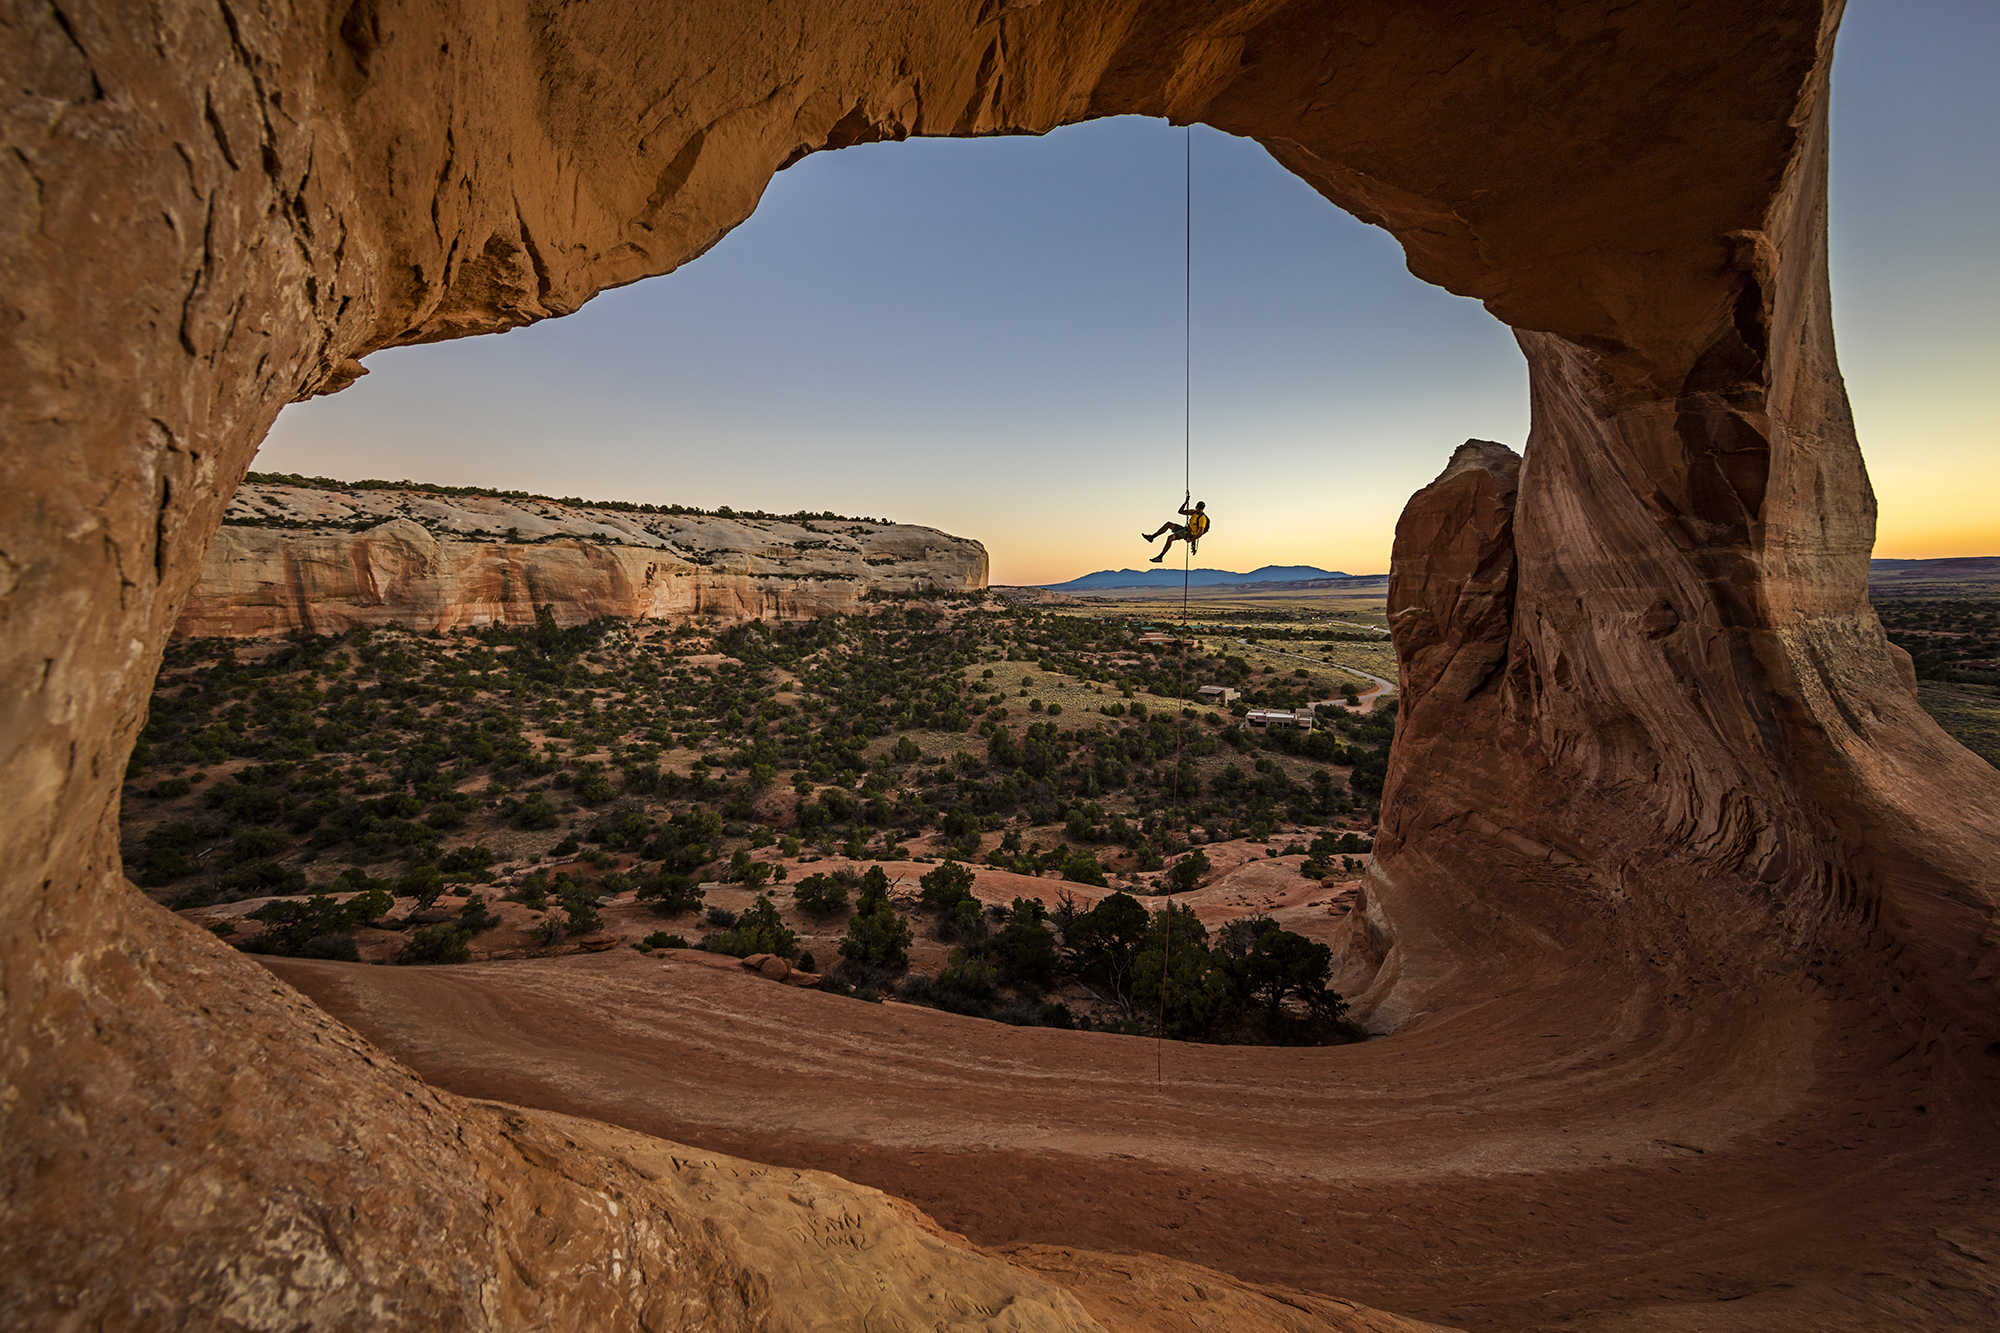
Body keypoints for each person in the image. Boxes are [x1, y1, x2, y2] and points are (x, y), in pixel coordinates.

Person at [1142, 496, 1209, 563]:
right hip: (1186, 529)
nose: (1199, 510)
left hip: (1189, 534)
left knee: (1170, 538)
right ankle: (1152, 537)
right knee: (1168, 524)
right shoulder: (1193, 512)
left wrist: (1191, 539)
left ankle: (1160, 557)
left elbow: (1200, 533)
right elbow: (1180, 511)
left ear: (1202, 509)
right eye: (1198, 508)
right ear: (1196, 507)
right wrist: (1185, 502)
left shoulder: (1202, 518)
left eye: (1200, 509)